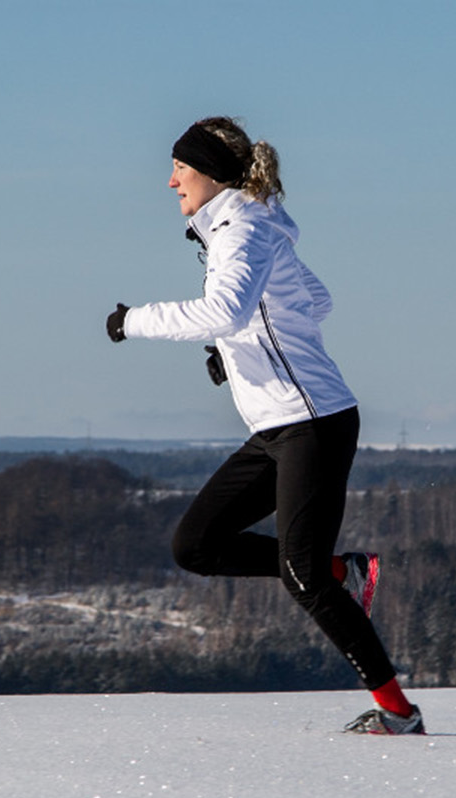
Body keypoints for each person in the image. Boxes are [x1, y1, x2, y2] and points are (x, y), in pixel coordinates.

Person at [105, 116, 423, 735]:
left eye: (180, 168)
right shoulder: (246, 227)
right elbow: (315, 300)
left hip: (313, 421)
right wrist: (243, 348)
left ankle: (400, 713)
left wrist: (132, 321)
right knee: (195, 545)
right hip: (282, 424)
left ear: (211, 174)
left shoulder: (240, 228)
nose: (170, 181)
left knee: (300, 576)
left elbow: (225, 309)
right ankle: (343, 571)